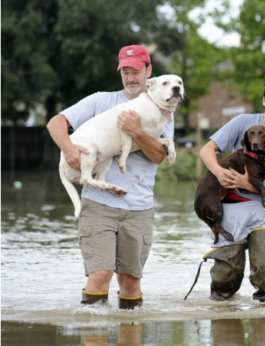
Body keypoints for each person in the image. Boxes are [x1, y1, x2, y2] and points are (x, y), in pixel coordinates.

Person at [47, 45, 173, 309]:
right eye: (125, 71)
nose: (130, 77)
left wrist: (137, 132)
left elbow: (159, 156)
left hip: (139, 206)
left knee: (130, 281)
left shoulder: (163, 107)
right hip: (98, 203)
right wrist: (69, 150)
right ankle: (93, 331)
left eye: (135, 71)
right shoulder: (100, 101)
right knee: (100, 275)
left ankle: (130, 332)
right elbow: (55, 123)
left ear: (148, 72)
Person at [199, 78, 265, 303]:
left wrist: (246, 183)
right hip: (231, 210)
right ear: (263, 101)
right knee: (226, 276)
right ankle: (223, 319)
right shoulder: (243, 123)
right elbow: (207, 149)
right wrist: (217, 171)